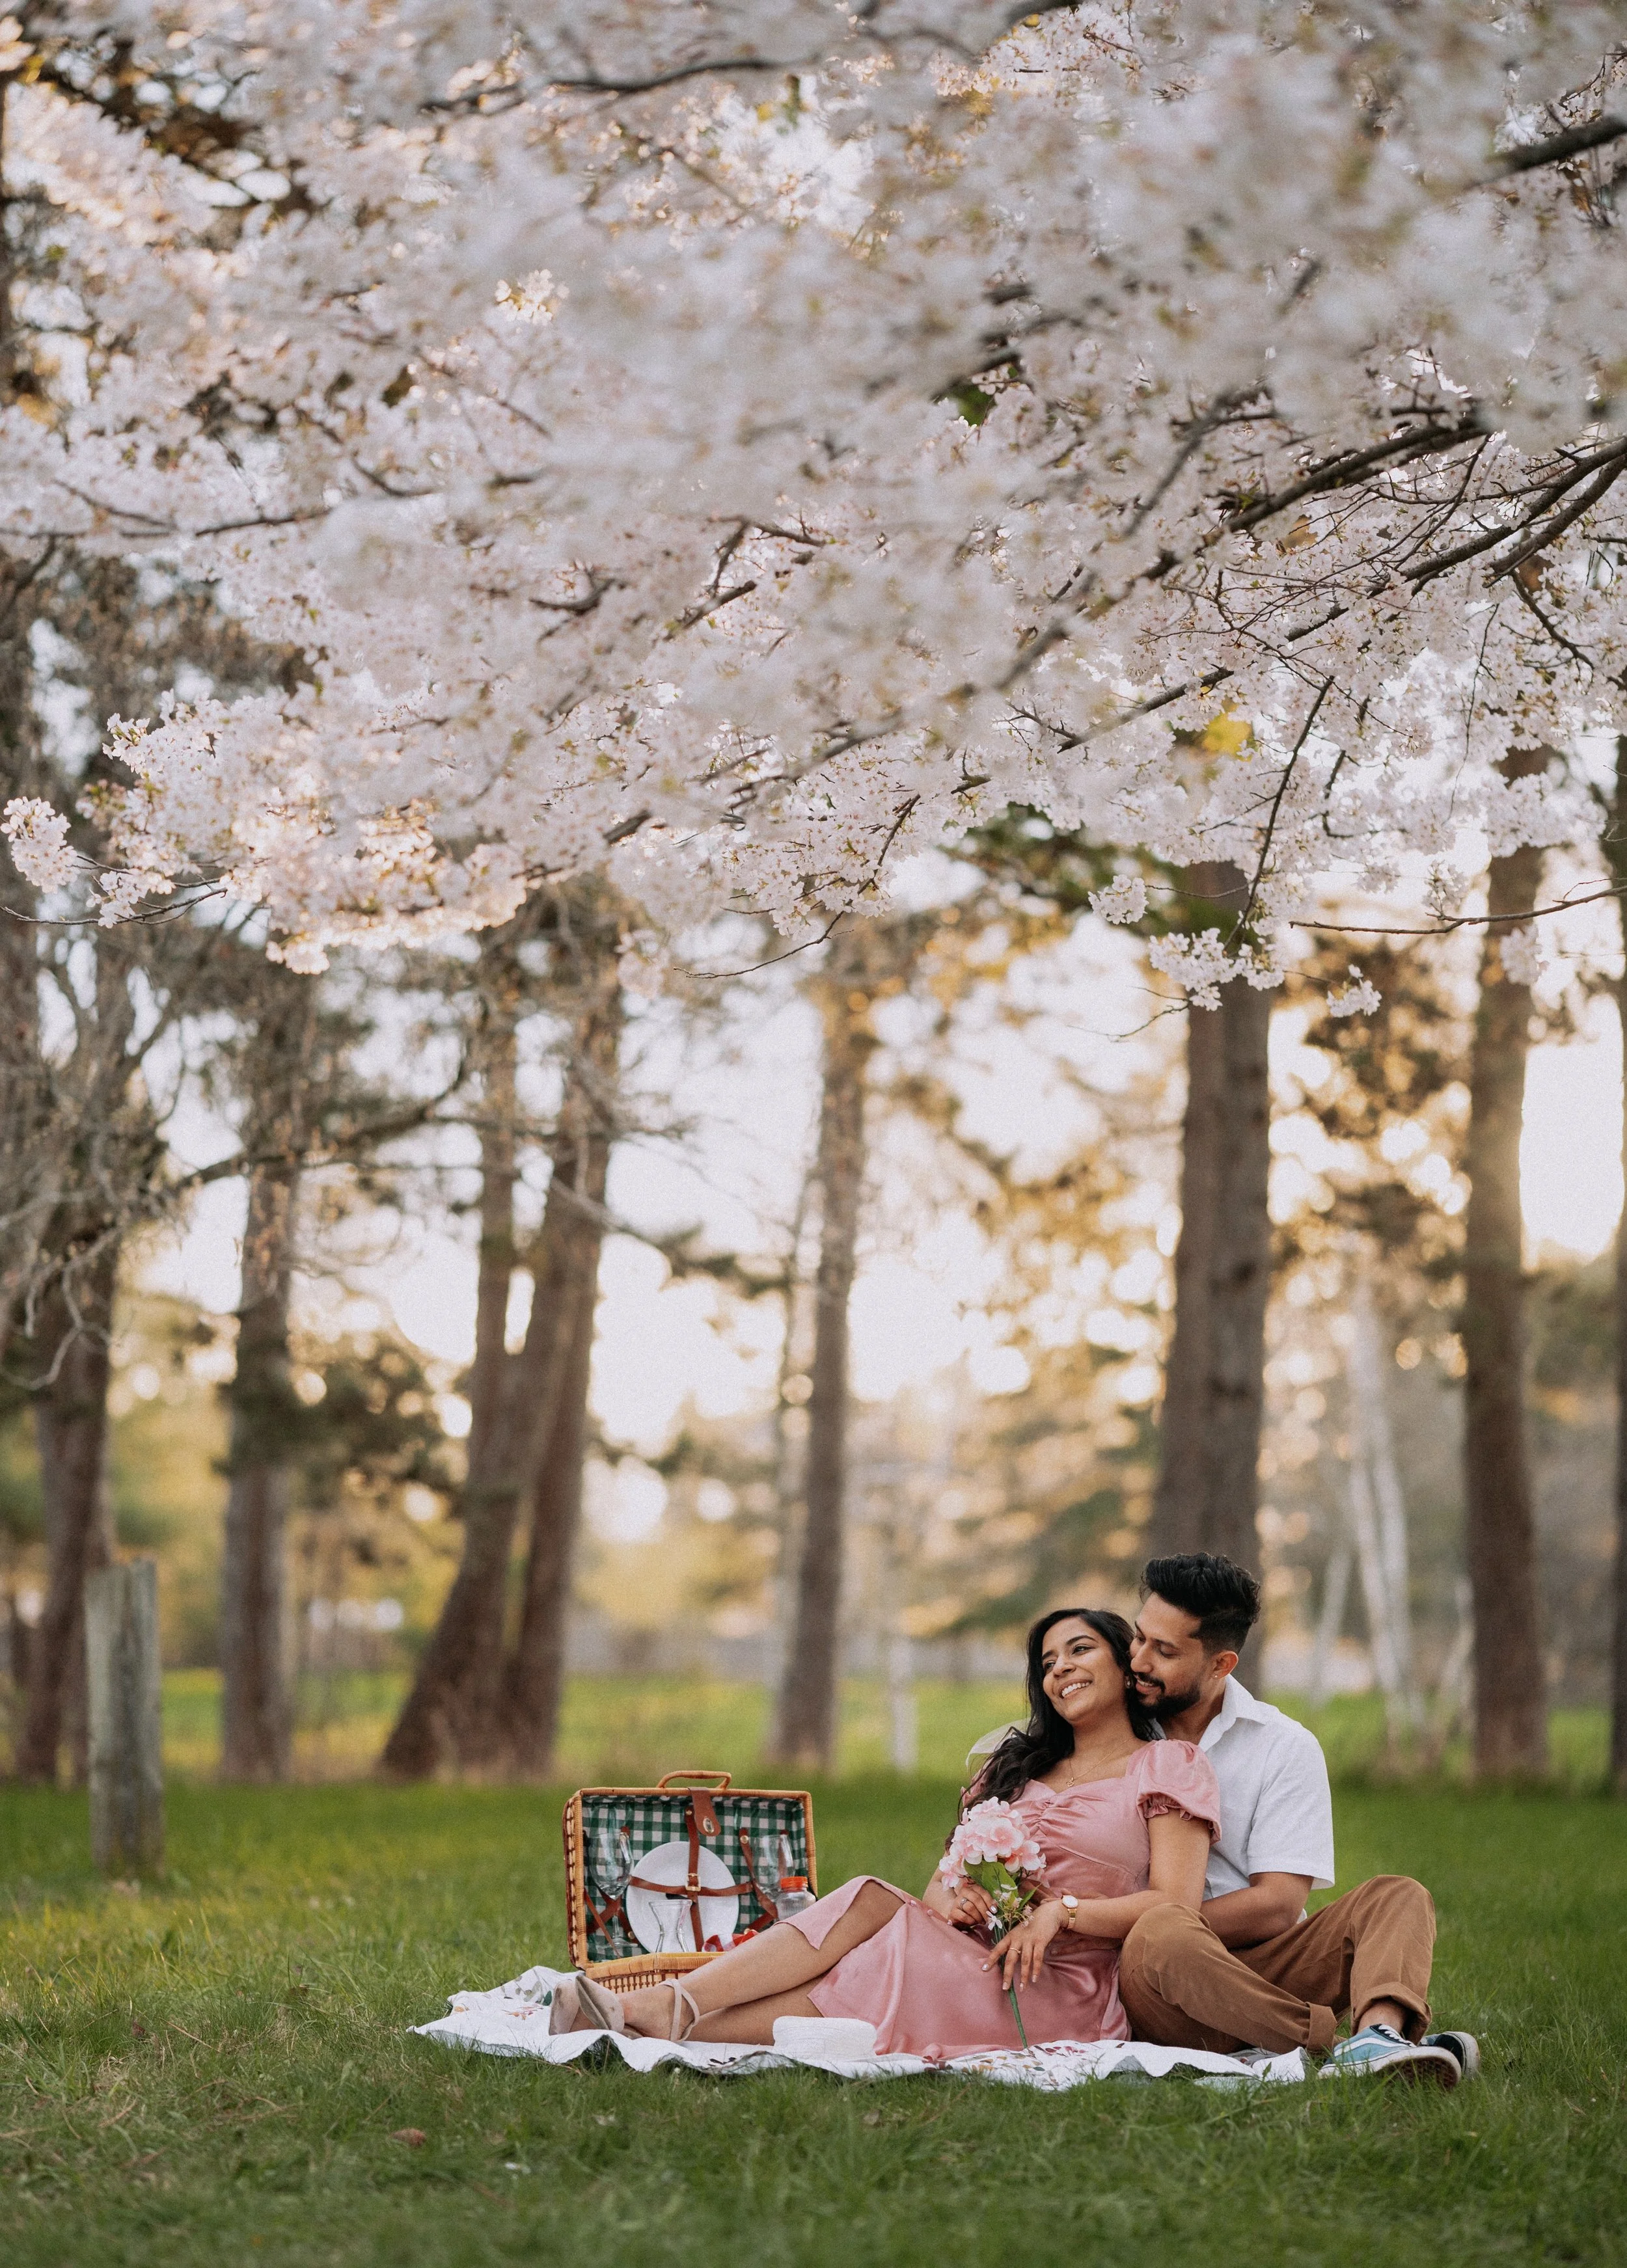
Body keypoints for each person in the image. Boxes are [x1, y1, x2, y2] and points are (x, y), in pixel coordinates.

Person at [550, 1607, 1222, 2053]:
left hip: (1061, 1986)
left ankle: (646, 2012)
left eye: (1080, 1650)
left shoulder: (1167, 1766)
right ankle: (660, 2013)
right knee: (879, 1901)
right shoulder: (1011, 1769)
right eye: (1046, 1662)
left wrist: (1064, 1915)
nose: (1060, 1669)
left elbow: (1175, 1904)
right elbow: (936, 1892)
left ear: (1123, 1666)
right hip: (974, 1950)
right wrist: (956, 1904)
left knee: (892, 1945)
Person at [1120, 1552, 1478, 2086]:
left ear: (1221, 1665)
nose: (1139, 1660)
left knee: (1397, 1895)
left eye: (1164, 1650)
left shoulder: (1283, 1745)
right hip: (1162, 1978)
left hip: (1271, 1964)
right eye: (1139, 1637)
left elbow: (1277, 1905)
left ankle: (1379, 2034)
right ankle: (1340, 2050)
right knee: (1161, 1933)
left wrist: (1176, 1918)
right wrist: (1160, 1924)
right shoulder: (1117, 1733)